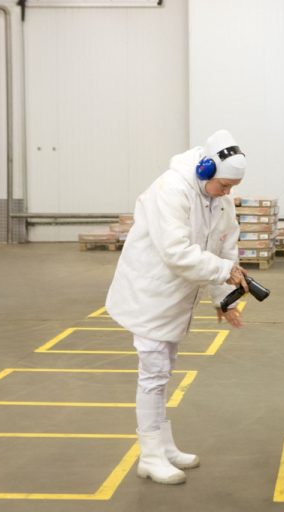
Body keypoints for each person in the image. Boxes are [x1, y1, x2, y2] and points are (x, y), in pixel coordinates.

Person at [106, 129, 250, 485]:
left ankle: (163, 445)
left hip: (176, 294)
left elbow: (222, 247)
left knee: (164, 367)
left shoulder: (220, 199)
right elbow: (176, 252)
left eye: (232, 186)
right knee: (153, 370)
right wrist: (224, 272)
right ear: (204, 170)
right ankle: (150, 455)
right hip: (150, 291)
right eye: (224, 185)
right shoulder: (170, 189)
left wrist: (224, 298)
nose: (227, 192)